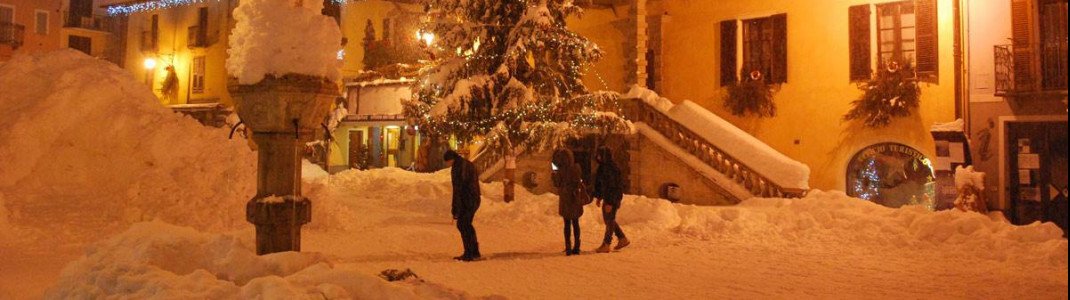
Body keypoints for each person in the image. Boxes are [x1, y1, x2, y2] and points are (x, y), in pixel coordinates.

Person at [445, 150, 481, 261]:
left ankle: (469, 253)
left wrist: (455, 207)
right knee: (466, 224)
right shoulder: (465, 164)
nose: (447, 164)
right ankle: (474, 251)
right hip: (474, 197)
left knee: (463, 224)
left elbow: (458, 188)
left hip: (468, 198)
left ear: (451, 159)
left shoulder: (458, 167)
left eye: (447, 161)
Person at [593, 148, 629, 253]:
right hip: (608, 197)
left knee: (609, 220)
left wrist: (610, 202)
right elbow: (600, 184)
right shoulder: (603, 167)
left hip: (612, 198)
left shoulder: (612, 168)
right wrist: (599, 197)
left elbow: (613, 187)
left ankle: (606, 244)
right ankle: (622, 239)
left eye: (600, 155)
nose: (598, 157)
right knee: (609, 220)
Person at [553, 149, 585, 256]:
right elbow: (578, 180)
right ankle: (577, 246)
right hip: (575, 198)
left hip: (565, 199)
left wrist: (554, 172)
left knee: (567, 224)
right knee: (576, 223)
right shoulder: (576, 168)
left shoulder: (560, 171)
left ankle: (568, 247)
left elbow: (556, 183)